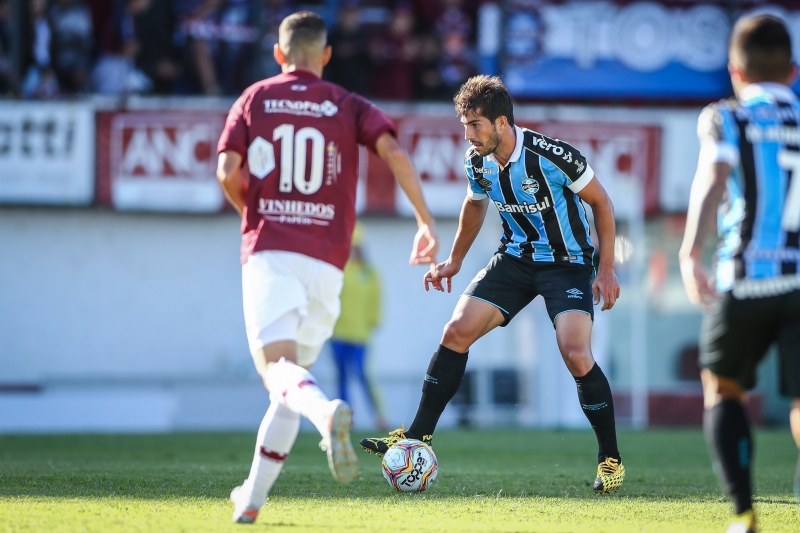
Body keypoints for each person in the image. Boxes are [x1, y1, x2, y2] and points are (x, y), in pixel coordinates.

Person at [215, 11, 438, 524]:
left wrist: (254, 213)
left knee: (280, 375)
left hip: (273, 250)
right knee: (293, 382)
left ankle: (326, 415)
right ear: (327, 55)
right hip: (328, 265)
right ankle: (250, 499)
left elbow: (227, 170)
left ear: (279, 54)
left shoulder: (255, 98)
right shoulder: (347, 103)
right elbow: (393, 151)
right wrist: (424, 220)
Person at [360, 75, 625, 493]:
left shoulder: (551, 155)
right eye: (464, 125)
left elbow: (602, 203)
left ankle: (610, 460)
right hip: (515, 259)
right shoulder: (477, 161)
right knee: (455, 332)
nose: (468, 135)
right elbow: (474, 204)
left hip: (567, 263)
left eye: (475, 124)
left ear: (502, 123)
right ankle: (417, 436)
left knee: (575, 353)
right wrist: (454, 260)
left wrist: (606, 268)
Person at [678, 14, 800, 533]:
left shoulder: (725, 117)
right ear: (793, 71)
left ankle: (744, 515)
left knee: (723, 388)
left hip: (745, 277)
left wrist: (690, 252)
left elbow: (714, 176)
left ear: (734, 70)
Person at [330, 222, 388, 430]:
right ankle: (345, 419)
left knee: (363, 374)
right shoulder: (337, 269)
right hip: (337, 333)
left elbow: (376, 300)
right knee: (342, 377)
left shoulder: (369, 272)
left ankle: (379, 416)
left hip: (360, 335)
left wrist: (372, 322)